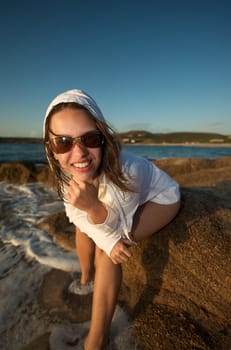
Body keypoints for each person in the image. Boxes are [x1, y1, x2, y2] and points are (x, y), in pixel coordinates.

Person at [43, 89, 181, 350]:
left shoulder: (127, 172)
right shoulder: (66, 170)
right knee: (83, 229)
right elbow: (75, 214)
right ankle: (85, 278)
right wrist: (89, 210)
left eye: (90, 138)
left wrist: (94, 207)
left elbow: (116, 232)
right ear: (51, 149)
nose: (79, 153)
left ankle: (98, 338)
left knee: (106, 254)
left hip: (160, 197)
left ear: (103, 138)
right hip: (112, 206)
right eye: (63, 142)